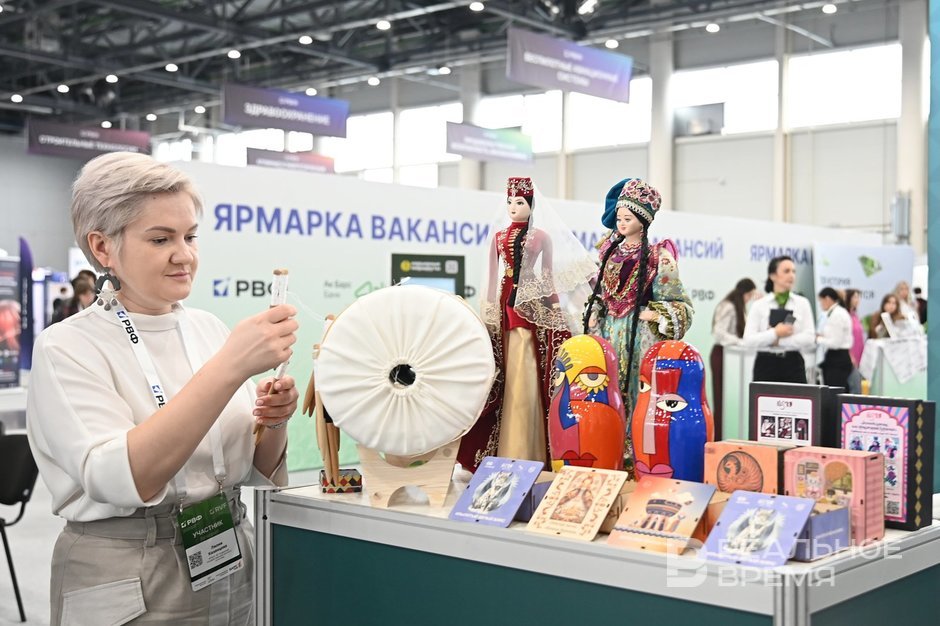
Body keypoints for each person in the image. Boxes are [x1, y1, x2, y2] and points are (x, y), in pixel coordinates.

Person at [26, 152, 299, 624]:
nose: (184, 255)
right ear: (103, 247)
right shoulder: (67, 346)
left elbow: (249, 468)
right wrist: (229, 368)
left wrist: (272, 422)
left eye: (190, 236)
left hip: (229, 555)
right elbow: (124, 478)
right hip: (127, 570)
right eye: (160, 239)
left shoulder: (208, 329)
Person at [458, 177, 595, 470]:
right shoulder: (498, 237)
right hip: (505, 302)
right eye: (509, 201)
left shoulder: (542, 237)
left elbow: (547, 276)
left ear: (531, 205)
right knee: (508, 371)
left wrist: (554, 309)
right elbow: (492, 276)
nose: (512, 207)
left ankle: (530, 449)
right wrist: (489, 310)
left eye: (519, 202)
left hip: (532, 305)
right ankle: (507, 447)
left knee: (528, 370)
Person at [584, 178, 693, 477]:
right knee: (605, 387)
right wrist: (595, 311)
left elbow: (680, 305)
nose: (621, 224)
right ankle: (607, 452)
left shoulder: (659, 258)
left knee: (639, 390)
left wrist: (654, 314)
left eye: (627, 219)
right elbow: (601, 293)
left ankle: (639, 458)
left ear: (642, 221)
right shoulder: (609, 252)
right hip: (608, 332)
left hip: (639, 336)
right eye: (619, 218)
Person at [743, 256, 815, 383]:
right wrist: (775, 333)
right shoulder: (759, 305)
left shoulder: (802, 303)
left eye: (793, 271)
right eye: (786, 271)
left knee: (797, 396)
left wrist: (780, 341)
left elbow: (809, 337)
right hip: (765, 364)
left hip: (794, 364)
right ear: (772, 276)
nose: (791, 275)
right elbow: (748, 340)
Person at [710, 278, 758, 436]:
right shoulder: (728, 306)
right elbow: (719, 332)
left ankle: (726, 434)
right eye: (749, 295)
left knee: (729, 398)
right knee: (720, 398)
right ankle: (718, 436)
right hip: (722, 354)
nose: (749, 299)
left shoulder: (740, 307)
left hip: (732, 357)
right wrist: (739, 342)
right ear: (744, 293)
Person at [815, 287, 853, 391]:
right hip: (835, 357)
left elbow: (835, 343)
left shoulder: (837, 314)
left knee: (835, 392)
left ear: (827, 299)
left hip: (838, 359)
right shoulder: (835, 313)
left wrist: (817, 339)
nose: (820, 304)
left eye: (821, 301)